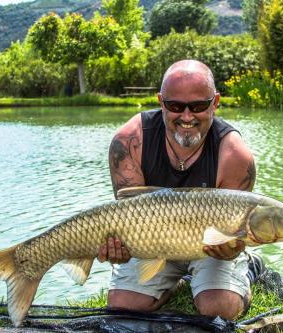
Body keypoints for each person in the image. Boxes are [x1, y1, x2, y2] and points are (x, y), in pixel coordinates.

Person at [99, 59, 259, 320]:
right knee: (123, 308)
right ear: (161, 101)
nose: (187, 117)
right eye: (175, 106)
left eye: (198, 106)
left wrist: (233, 247)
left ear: (215, 102)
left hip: (210, 245)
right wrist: (121, 245)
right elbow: (127, 213)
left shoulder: (235, 155)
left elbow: (235, 233)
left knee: (218, 309)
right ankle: (176, 282)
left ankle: (249, 268)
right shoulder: (129, 141)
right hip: (152, 243)